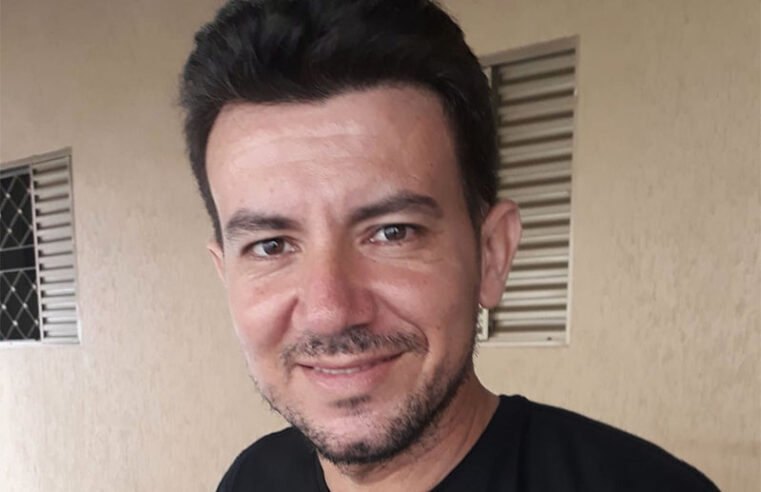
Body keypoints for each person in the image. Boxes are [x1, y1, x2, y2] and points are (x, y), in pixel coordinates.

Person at [179, 1, 720, 490]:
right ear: (225, 273)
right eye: (271, 245)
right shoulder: (252, 477)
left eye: (393, 232)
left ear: (492, 254)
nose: (329, 312)